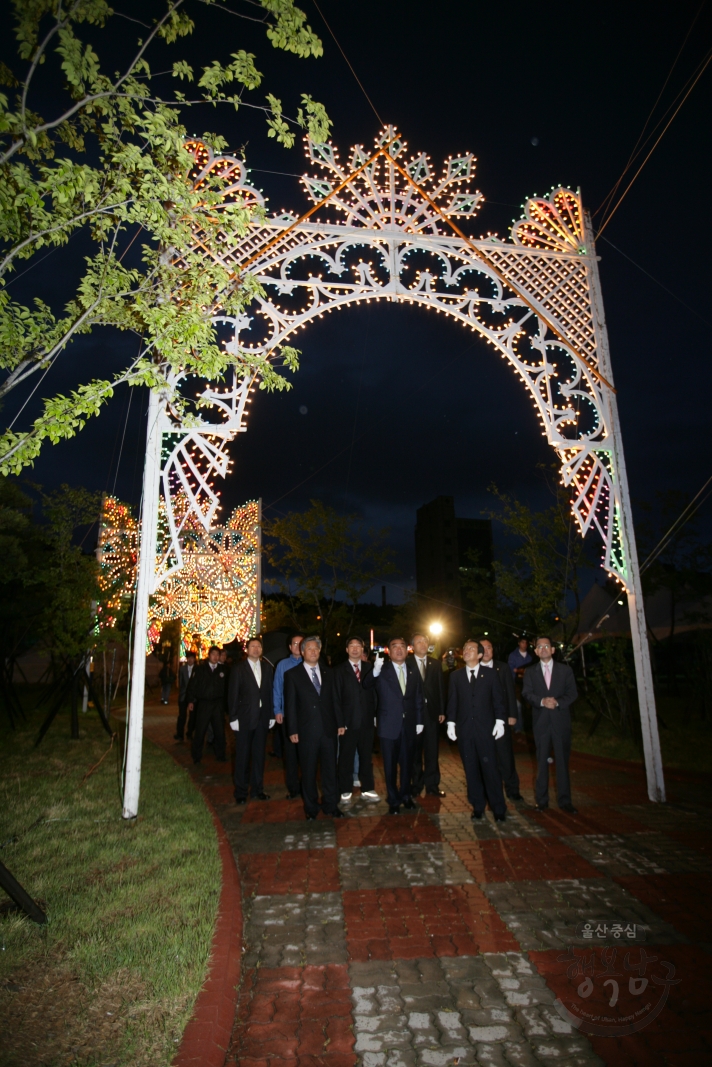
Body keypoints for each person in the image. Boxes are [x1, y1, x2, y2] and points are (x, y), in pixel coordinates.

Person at [284, 635, 345, 820]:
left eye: (316, 649)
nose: (313, 651)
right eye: (309, 649)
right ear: (302, 652)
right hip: (306, 731)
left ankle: (331, 805)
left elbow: (335, 700)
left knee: (330, 771)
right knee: (309, 772)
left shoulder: (329, 673)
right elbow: (291, 705)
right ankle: (311, 808)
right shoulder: (292, 675)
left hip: (328, 730)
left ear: (320, 651)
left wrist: (340, 722)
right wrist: (292, 730)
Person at [446, 639, 507, 822]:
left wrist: (500, 721)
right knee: (471, 770)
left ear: (480, 655)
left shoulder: (490, 674)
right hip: (465, 731)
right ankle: (477, 806)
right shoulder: (456, 676)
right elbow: (453, 701)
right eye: (464, 649)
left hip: (486, 730)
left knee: (491, 770)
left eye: (471, 649)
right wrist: (451, 723)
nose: (466, 651)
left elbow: (498, 699)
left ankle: (498, 808)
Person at [363, 637, 424, 815]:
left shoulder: (413, 670)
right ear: (389, 651)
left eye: (402, 647)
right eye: (394, 647)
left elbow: (418, 697)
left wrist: (419, 720)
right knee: (389, 766)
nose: (398, 650)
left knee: (407, 764)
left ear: (407, 650)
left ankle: (406, 796)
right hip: (388, 725)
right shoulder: (382, 669)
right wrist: (374, 670)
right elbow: (366, 685)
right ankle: (393, 799)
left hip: (409, 724)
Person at [522, 636, 579, 814]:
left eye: (547, 646)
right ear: (536, 651)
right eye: (540, 646)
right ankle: (542, 801)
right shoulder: (530, 672)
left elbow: (573, 694)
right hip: (541, 723)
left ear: (553, 650)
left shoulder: (565, 671)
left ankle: (565, 801)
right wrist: (541, 701)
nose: (544, 648)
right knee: (541, 762)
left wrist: (558, 702)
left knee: (562, 762)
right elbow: (526, 693)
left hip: (560, 722)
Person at [228, 637, 275, 804]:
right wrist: (233, 717)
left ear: (262, 650)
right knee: (242, 756)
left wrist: (271, 715)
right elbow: (233, 694)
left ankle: (257, 790)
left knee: (259, 756)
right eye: (252, 646)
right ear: (247, 649)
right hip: (244, 718)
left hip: (262, 719)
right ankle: (240, 792)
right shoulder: (238, 669)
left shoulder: (267, 668)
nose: (256, 649)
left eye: (258, 646)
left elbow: (269, 693)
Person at [333, 636, 379, 804]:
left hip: (366, 720)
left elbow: (375, 694)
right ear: (346, 649)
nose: (354, 649)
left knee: (366, 757)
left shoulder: (370, 668)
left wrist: (376, 716)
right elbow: (336, 698)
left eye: (358, 646)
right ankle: (345, 789)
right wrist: (339, 722)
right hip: (347, 722)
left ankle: (368, 788)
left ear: (363, 649)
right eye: (351, 645)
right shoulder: (338, 670)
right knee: (346, 757)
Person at [479, 639, 524, 802]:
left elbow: (510, 692)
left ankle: (513, 789)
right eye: (482, 648)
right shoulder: (472, 668)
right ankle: (488, 791)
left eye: (489, 647)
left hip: (501, 718)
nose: (486, 650)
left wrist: (512, 714)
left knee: (505, 756)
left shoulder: (502, 667)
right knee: (484, 757)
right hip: (481, 721)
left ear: (493, 650)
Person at [409, 633, 446, 797]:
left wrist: (442, 710)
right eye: (419, 642)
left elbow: (441, 688)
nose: (423, 644)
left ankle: (432, 785)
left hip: (432, 714)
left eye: (425, 641)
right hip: (413, 714)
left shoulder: (436, 664)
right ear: (413, 646)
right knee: (414, 752)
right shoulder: (406, 663)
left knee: (432, 751)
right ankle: (416, 785)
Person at [272, 633, 304, 799]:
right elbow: (277, 688)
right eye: (295, 643)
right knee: (290, 754)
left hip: (306, 717)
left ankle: (306, 786)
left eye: (301, 643)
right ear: (290, 647)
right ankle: (293, 788)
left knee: (307, 754)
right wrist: (278, 710)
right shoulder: (283, 665)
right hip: (289, 716)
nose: (298, 646)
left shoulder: (310, 663)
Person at [187, 645, 228, 764]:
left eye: (217, 655)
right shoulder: (200, 669)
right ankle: (196, 756)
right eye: (213, 654)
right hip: (204, 703)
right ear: (209, 655)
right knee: (200, 730)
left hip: (218, 704)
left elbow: (227, 688)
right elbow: (192, 686)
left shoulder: (223, 670)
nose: (215, 657)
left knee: (219, 730)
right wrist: (191, 700)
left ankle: (221, 754)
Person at [175, 651, 197, 741]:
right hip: (183, 696)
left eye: (192, 658)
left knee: (193, 716)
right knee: (182, 716)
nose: (190, 660)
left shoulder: (197, 669)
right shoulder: (182, 669)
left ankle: (190, 733)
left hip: (194, 697)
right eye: (189, 658)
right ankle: (180, 734)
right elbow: (181, 682)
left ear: (194, 659)